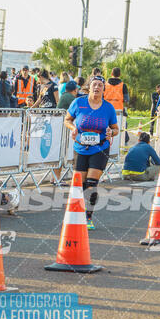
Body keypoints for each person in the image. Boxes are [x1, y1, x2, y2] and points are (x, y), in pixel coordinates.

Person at [64, 75, 119, 229]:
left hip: (100, 147)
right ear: (89, 87)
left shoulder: (108, 108)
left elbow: (116, 129)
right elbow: (67, 119)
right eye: (94, 85)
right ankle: (77, 214)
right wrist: (73, 128)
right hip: (81, 147)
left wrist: (110, 133)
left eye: (100, 85)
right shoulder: (79, 103)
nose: (97, 88)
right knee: (79, 185)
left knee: (91, 184)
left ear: (103, 89)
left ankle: (88, 217)